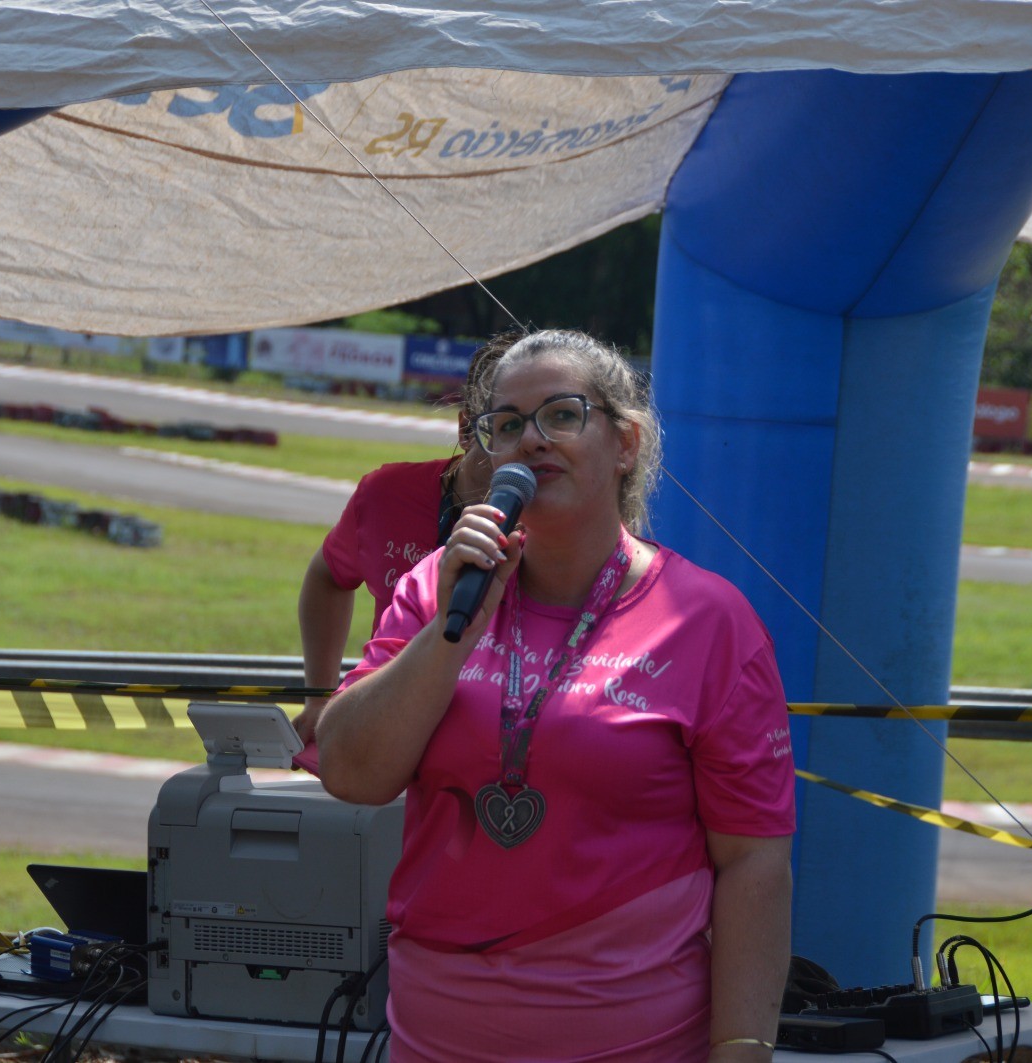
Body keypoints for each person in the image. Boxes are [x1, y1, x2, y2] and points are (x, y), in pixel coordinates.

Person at [316, 329, 795, 1062]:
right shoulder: (438, 589)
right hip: (437, 1035)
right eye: (506, 424)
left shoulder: (709, 622)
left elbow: (753, 863)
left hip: (635, 1038)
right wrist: (451, 633)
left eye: (562, 415)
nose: (531, 440)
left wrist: (741, 1048)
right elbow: (352, 772)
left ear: (626, 442)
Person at [295, 337, 510, 746]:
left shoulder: (556, 519)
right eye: (505, 425)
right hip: (386, 734)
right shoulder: (385, 494)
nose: (524, 447)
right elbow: (328, 577)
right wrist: (319, 697)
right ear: (467, 428)